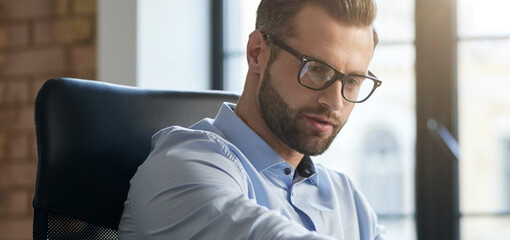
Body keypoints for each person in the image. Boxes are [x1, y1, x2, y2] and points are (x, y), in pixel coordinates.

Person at [118, 0, 385, 239]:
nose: (335, 102)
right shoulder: (180, 169)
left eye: (352, 81)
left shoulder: (349, 200)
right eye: (316, 69)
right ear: (257, 52)